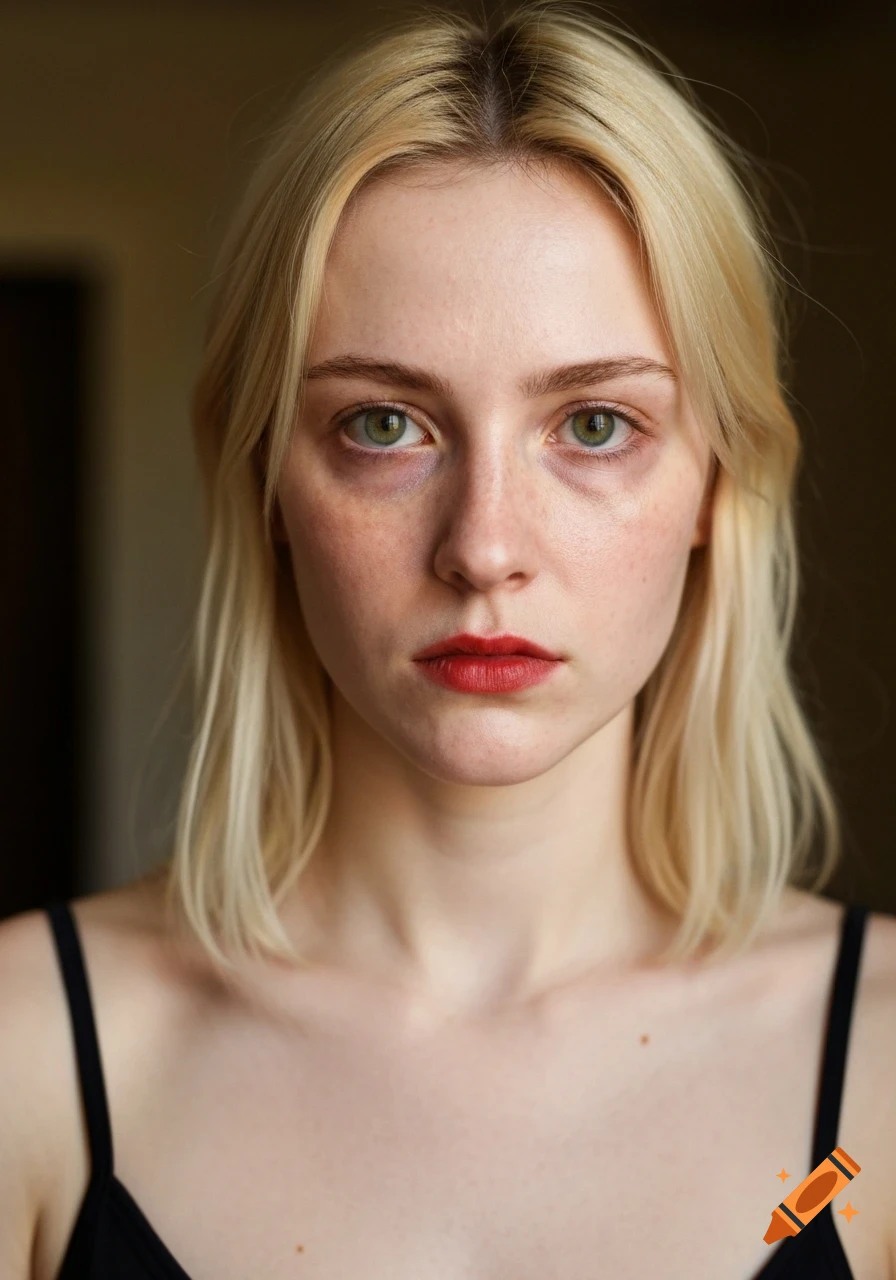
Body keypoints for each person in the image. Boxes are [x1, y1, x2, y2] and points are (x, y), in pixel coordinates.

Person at [2, 3, 895, 1278]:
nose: (482, 547)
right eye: (383, 424)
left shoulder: (872, 1093)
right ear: (265, 478)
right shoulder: (30, 1051)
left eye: (593, 424)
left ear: (717, 480)